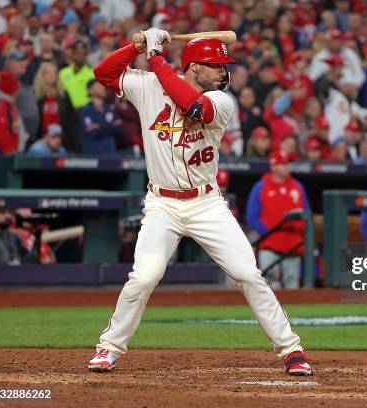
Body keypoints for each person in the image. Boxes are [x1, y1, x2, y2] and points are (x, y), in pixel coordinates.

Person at [89, 28, 312, 375]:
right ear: (193, 67)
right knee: (145, 276)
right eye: (216, 65)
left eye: (225, 66)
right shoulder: (149, 86)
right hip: (162, 204)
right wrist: (133, 47)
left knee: (248, 274)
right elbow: (103, 73)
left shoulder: (222, 101)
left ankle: (291, 350)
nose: (224, 72)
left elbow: (191, 105)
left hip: (206, 204)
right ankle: (108, 348)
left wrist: (156, 56)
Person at [246, 150, 312, 290]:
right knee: (270, 286)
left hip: (293, 244)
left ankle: (292, 313)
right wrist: (268, 232)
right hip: (270, 244)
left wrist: (301, 232)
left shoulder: (297, 187)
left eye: (288, 163)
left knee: (292, 284)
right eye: (283, 164)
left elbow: (307, 215)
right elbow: (251, 216)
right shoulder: (261, 186)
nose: (287, 167)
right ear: (274, 166)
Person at [78, 79, 123, 155]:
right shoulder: (85, 111)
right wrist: (109, 126)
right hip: (93, 155)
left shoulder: (110, 109)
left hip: (111, 154)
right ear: (90, 90)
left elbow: (119, 129)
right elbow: (93, 132)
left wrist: (100, 126)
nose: (103, 88)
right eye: (99, 86)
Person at [59, 40, 95, 110]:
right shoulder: (63, 73)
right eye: (77, 53)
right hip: (67, 110)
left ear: (86, 56)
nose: (80, 56)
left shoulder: (92, 74)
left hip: (86, 110)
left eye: (82, 54)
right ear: (72, 55)